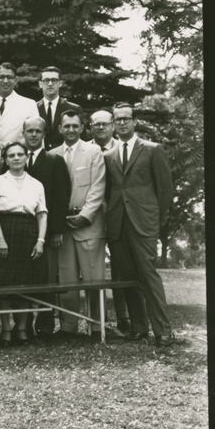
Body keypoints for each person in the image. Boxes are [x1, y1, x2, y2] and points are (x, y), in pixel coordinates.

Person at [104, 103, 175, 346]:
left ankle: (164, 331)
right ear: (113, 124)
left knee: (148, 274)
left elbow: (164, 189)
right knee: (127, 277)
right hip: (117, 223)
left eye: (126, 119)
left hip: (144, 222)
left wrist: (158, 219)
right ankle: (138, 328)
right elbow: (109, 192)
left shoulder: (152, 150)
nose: (121, 123)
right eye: (117, 119)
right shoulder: (109, 155)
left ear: (134, 122)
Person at [50, 110, 107, 334]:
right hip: (63, 226)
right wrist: (57, 224)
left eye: (75, 126)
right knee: (67, 280)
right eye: (67, 126)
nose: (71, 130)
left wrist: (85, 215)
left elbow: (98, 187)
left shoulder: (93, 152)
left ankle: (97, 326)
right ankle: (68, 326)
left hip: (89, 224)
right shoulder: (52, 154)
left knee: (94, 279)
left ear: (82, 128)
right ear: (60, 129)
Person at [0, 141, 48, 345]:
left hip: (28, 232)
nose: (15, 158)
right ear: (5, 159)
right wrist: (0, 239)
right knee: (3, 284)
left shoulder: (36, 184)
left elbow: (42, 214)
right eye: (11, 155)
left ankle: (21, 329)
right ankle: (5, 329)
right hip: (5, 230)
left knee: (25, 284)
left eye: (20, 154)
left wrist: (40, 241)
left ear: (25, 157)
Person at [23, 116, 72, 339]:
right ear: (23, 133)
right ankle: (22, 324)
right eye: (29, 131)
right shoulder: (15, 158)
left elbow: (61, 198)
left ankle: (44, 324)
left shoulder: (54, 161)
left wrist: (57, 230)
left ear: (44, 135)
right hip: (20, 230)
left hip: (47, 230)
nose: (33, 135)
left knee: (47, 278)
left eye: (38, 131)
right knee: (22, 277)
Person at [89, 108, 130, 332]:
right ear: (91, 127)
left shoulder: (123, 149)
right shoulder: (84, 149)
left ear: (113, 125)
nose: (101, 127)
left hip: (119, 218)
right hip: (92, 219)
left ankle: (124, 317)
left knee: (120, 268)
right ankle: (97, 322)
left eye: (105, 123)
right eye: (97, 124)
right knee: (94, 271)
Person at [0, 62, 39, 150]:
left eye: (9, 77)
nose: (5, 81)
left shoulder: (29, 104)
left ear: (16, 80)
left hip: (18, 157)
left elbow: (36, 136)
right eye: (1, 77)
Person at [36, 66, 81, 151]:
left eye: (54, 80)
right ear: (40, 84)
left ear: (60, 83)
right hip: (40, 158)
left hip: (65, 157)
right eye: (46, 80)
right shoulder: (33, 108)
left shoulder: (74, 108)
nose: (50, 84)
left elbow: (81, 138)